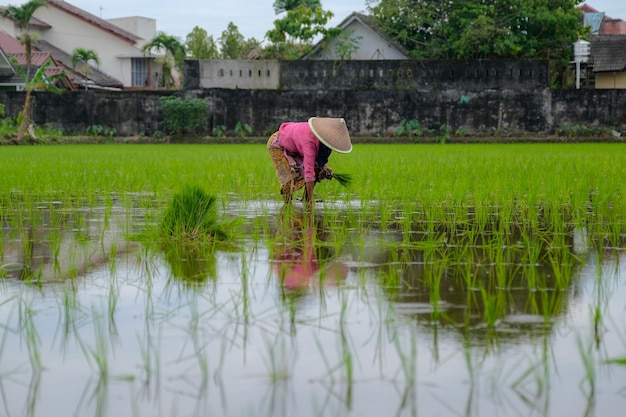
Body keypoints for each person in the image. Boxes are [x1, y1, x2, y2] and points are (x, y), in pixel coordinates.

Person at [267, 117, 352, 207]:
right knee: (289, 178)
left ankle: (306, 198)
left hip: (296, 143)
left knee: (317, 169)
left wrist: (323, 167)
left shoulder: (323, 142)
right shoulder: (309, 143)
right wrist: (310, 203)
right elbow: (309, 173)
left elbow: (317, 162)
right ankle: (288, 205)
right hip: (279, 143)